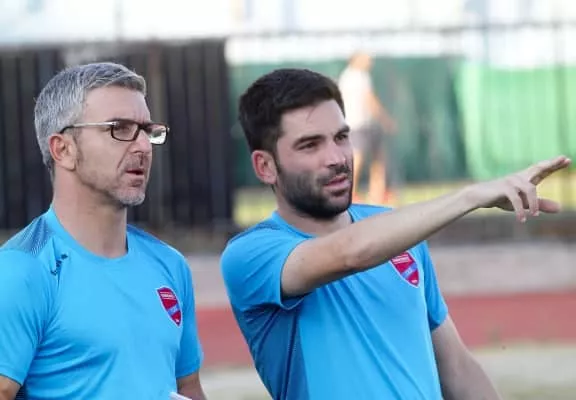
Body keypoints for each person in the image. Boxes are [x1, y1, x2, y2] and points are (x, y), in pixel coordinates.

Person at [220, 67, 570, 400]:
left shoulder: (396, 231)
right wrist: (470, 196)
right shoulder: (251, 254)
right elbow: (351, 252)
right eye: (310, 145)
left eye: (341, 137)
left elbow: (456, 367)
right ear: (265, 166)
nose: (337, 158)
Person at [0, 62, 206, 400]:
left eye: (147, 130)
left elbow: (188, 387)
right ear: (63, 149)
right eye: (119, 128)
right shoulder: (19, 271)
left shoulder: (170, 265)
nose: (143, 146)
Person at [338, 51, 398, 204]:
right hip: (358, 125)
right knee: (358, 159)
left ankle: (377, 193)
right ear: (356, 59)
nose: (370, 61)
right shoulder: (358, 77)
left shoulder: (347, 76)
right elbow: (369, 100)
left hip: (362, 124)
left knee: (378, 157)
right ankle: (351, 193)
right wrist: (385, 120)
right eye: (366, 58)